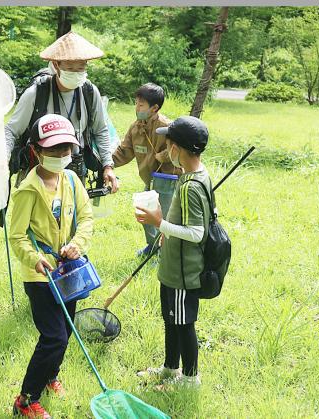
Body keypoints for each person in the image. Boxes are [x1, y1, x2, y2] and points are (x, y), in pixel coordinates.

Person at [9, 114, 93, 418]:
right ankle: (26, 399)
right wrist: (35, 259)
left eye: (65, 150)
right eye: (54, 150)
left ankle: (50, 377)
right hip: (40, 275)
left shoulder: (71, 179)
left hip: (67, 271)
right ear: (37, 151)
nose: (61, 156)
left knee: (66, 331)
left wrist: (77, 244)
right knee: (54, 336)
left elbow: (86, 218)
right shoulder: (27, 190)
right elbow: (16, 236)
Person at [134, 116, 213, 389]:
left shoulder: (192, 185)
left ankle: (190, 378)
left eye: (169, 146)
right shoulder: (191, 176)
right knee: (171, 319)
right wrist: (165, 233)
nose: (167, 152)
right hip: (171, 266)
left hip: (183, 271)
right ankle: (170, 369)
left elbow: (197, 233)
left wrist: (159, 224)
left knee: (184, 324)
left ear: (178, 149)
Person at [5, 31, 118, 193]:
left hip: (76, 168)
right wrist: (3, 159)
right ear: (56, 65)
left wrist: (108, 166)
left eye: (81, 68)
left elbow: (101, 130)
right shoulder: (36, 93)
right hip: (39, 168)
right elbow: (11, 130)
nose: (76, 73)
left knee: (72, 215)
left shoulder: (90, 93)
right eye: (70, 68)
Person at [112, 83, 181, 257]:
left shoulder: (167, 127)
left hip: (167, 179)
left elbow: (179, 148)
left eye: (141, 104)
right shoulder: (136, 127)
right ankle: (153, 246)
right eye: (136, 103)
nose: (137, 107)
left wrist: (164, 156)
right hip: (150, 179)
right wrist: (106, 164)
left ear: (154, 108)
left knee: (161, 218)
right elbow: (124, 151)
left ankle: (164, 253)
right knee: (144, 213)